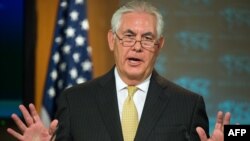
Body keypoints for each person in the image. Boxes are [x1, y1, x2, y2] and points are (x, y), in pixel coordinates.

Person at [7, 1, 231, 141]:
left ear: (159, 45)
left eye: (147, 38)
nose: (137, 46)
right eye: (129, 36)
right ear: (112, 40)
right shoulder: (75, 101)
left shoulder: (188, 105)